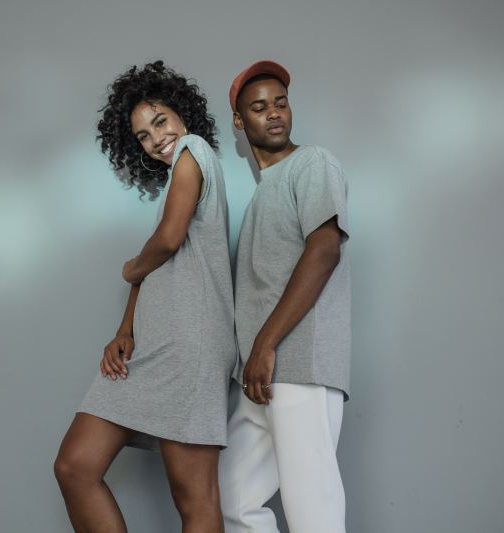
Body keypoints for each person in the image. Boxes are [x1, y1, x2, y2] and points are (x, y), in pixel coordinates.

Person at [54, 60, 235, 533]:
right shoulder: (177, 180)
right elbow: (161, 264)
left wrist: (131, 267)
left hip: (191, 343)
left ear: (182, 114)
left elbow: (169, 241)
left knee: (194, 498)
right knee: (75, 466)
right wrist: (125, 329)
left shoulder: (194, 151)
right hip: (155, 344)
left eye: (160, 121)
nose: (156, 138)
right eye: (142, 135)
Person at [218, 60, 351, 533]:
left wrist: (265, 343)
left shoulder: (312, 163)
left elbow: (324, 250)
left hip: (299, 368)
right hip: (260, 376)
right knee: (232, 499)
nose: (274, 113)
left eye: (281, 103)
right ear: (240, 121)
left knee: (313, 511)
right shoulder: (263, 193)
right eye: (259, 107)